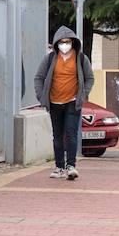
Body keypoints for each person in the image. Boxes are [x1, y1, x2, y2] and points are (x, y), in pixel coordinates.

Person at [33, 27, 94, 180]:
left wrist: (83, 94)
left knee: (71, 134)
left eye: (67, 42)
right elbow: (38, 78)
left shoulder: (80, 58)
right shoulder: (49, 59)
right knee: (58, 136)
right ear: (56, 44)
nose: (65, 45)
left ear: (73, 43)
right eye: (62, 42)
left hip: (72, 102)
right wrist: (41, 97)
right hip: (54, 102)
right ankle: (59, 167)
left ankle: (71, 166)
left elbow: (89, 78)